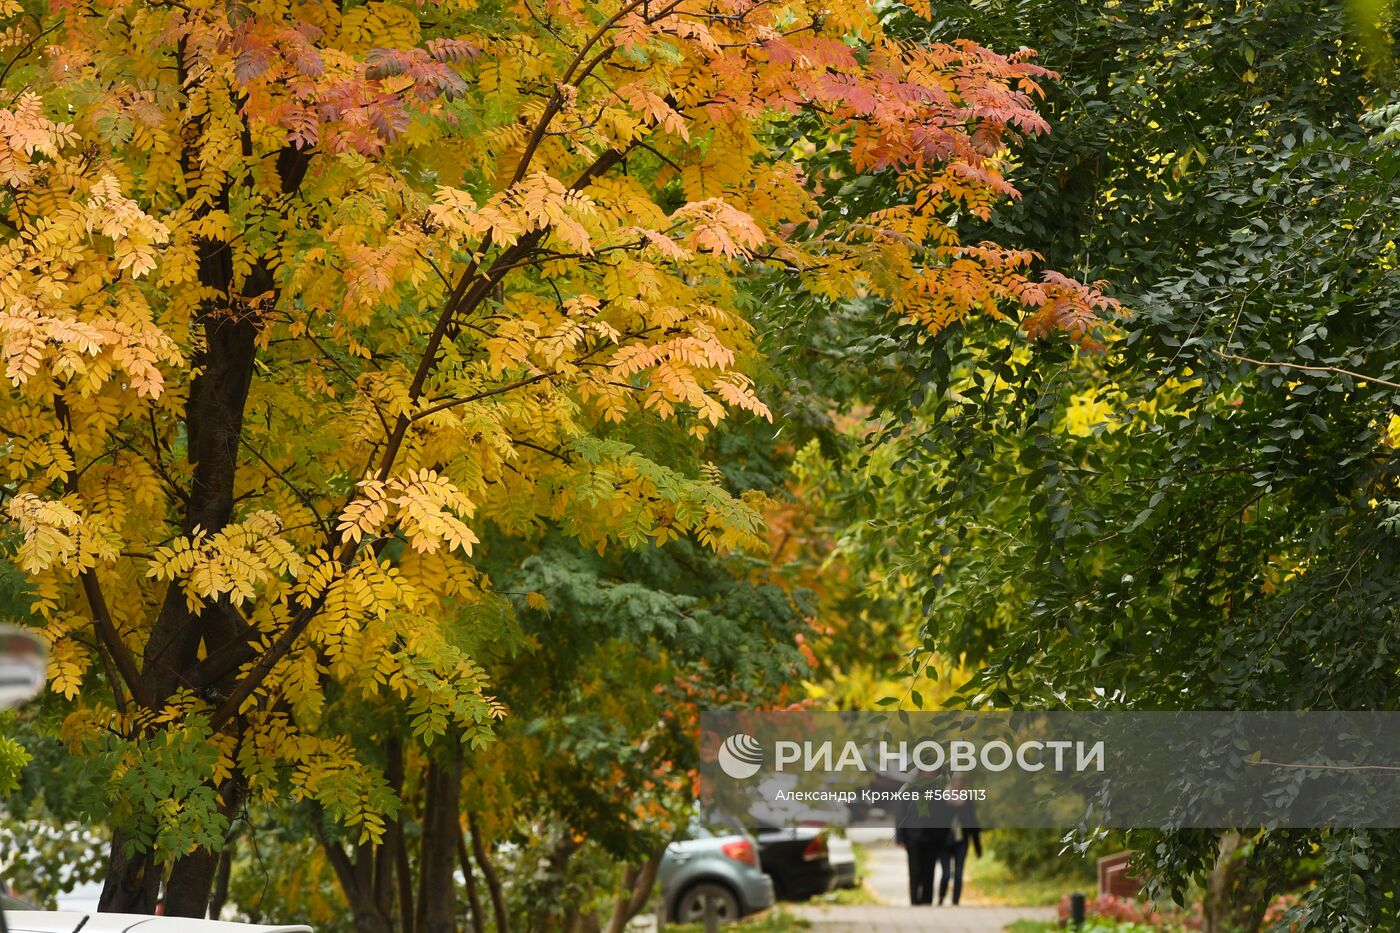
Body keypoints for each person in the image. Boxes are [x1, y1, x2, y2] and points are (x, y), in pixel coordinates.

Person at [893, 772, 948, 905]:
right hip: (913, 838)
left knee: (929, 870)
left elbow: (943, 817)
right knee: (915, 870)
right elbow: (900, 815)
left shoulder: (938, 793)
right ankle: (914, 900)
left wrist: (943, 838)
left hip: (932, 838)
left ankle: (927, 899)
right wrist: (900, 837)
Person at [933, 775, 982, 906]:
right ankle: (941, 897)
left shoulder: (967, 800)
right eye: (956, 781)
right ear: (951, 782)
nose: (958, 784)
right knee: (947, 873)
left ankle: (955, 901)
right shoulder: (941, 799)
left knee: (959, 873)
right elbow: (936, 822)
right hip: (944, 842)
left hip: (961, 841)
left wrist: (978, 846)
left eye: (961, 781)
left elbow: (973, 823)